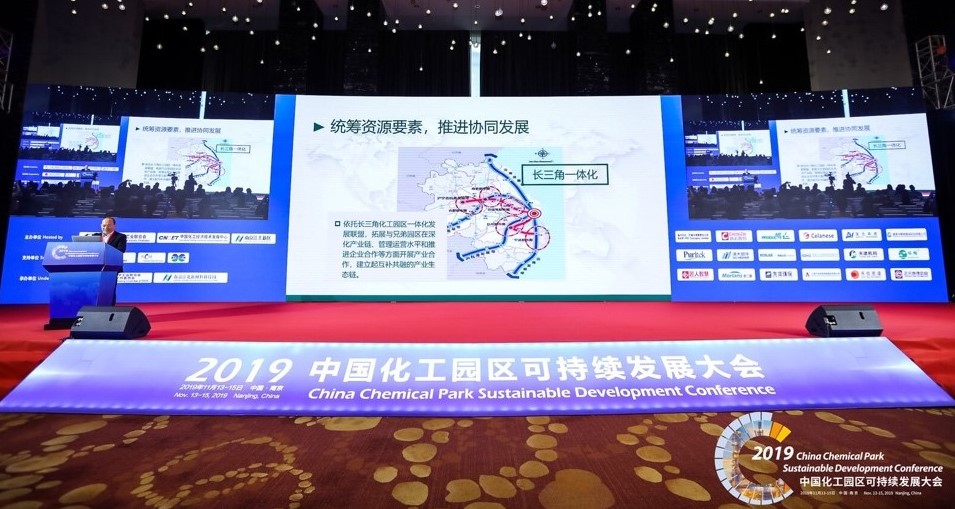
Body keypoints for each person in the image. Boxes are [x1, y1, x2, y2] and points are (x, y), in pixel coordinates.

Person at [98, 216, 127, 305]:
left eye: (109, 225)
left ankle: (110, 308)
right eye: (104, 225)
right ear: (101, 226)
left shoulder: (120, 237)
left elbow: (120, 250)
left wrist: (105, 250)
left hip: (111, 267)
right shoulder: (95, 236)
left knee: (110, 290)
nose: (106, 227)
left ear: (114, 225)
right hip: (96, 268)